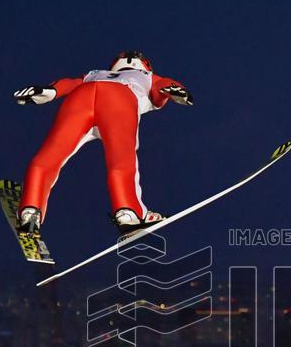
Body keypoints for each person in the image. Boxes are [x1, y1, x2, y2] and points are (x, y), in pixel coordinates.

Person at [12, 50, 192, 235]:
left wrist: (49, 91)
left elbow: (70, 84)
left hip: (81, 97)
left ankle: (30, 209)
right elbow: (159, 89)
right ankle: (128, 212)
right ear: (145, 65)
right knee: (121, 158)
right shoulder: (147, 76)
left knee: (51, 155)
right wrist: (175, 91)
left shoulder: (94, 73)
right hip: (118, 99)